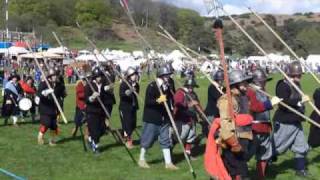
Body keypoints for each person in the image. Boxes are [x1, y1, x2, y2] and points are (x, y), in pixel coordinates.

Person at [272, 61, 310, 177]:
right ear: (289, 75)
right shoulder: (282, 85)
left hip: (296, 121)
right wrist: (299, 102)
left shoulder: (296, 85)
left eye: (299, 75)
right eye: (295, 75)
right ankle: (264, 164)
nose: (298, 77)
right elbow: (283, 103)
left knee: (301, 146)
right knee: (278, 147)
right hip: (285, 121)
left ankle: (300, 169)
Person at [138, 66, 178, 170]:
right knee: (148, 139)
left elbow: (170, 99)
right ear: (161, 76)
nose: (168, 77)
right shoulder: (152, 86)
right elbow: (148, 102)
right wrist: (159, 100)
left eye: (169, 75)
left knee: (165, 139)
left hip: (164, 117)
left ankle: (168, 163)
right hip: (152, 117)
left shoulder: (168, 85)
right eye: (166, 75)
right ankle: (141, 159)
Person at [217, 70, 254, 179]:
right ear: (236, 84)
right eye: (243, 83)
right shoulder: (226, 100)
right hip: (233, 139)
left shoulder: (243, 97)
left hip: (243, 137)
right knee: (238, 172)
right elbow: (225, 123)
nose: (246, 85)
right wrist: (233, 142)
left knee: (240, 170)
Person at [246, 69, 282, 179]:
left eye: (265, 81)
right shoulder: (250, 91)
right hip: (254, 127)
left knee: (264, 155)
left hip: (265, 127)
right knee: (247, 154)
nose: (264, 83)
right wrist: (269, 104)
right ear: (256, 81)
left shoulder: (263, 90)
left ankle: (260, 176)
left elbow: (265, 106)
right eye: (262, 81)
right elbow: (254, 107)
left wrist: (271, 104)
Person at [173, 78, 201, 159]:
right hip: (182, 119)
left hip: (192, 118)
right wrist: (189, 104)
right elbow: (177, 104)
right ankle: (169, 150)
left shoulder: (193, 94)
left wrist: (200, 115)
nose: (191, 88)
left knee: (190, 137)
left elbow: (198, 105)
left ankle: (188, 155)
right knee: (180, 137)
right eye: (190, 86)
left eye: (192, 87)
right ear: (186, 85)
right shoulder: (180, 92)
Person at [85, 68, 109, 154]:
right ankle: (96, 147)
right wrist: (92, 97)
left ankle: (91, 139)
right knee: (95, 131)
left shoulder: (102, 85)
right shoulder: (89, 85)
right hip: (92, 111)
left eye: (100, 76)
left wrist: (108, 89)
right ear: (95, 77)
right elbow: (86, 99)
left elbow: (105, 97)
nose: (100, 78)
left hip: (100, 111)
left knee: (103, 129)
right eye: (98, 76)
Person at [37, 69, 61, 146]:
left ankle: (52, 141)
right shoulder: (44, 83)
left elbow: (59, 93)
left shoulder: (57, 84)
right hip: (45, 107)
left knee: (54, 125)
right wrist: (46, 92)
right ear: (50, 77)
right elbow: (39, 94)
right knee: (46, 123)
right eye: (53, 75)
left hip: (53, 107)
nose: (55, 77)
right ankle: (40, 136)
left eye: (55, 75)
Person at [119, 67, 139, 149]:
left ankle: (124, 135)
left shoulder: (136, 84)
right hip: (125, 107)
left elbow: (137, 93)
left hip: (133, 107)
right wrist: (130, 90)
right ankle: (128, 141)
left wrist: (134, 88)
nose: (135, 76)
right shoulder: (124, 84)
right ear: (129, 76)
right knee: (127, 125)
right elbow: (122, 95)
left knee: (133, 124)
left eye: (135, 74)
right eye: (133, 75)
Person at [203, 70, 224, 136]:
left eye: (222, 80)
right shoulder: (212, 87)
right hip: (211, 113)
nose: (221, 81)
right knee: (212, 131)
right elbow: (219, 97)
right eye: (220, 80)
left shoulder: (221, 88)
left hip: (218, 112)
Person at [72, 73, 88, 138]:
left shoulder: (89, 85)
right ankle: (75, 128)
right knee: (78, 122)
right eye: (84, 79)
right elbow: (79, 95)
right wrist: (86, 94)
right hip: (80, 106)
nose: (85, 81)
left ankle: (87, 134)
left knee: (88, 121)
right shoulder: (79, 85)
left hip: (88, 106)